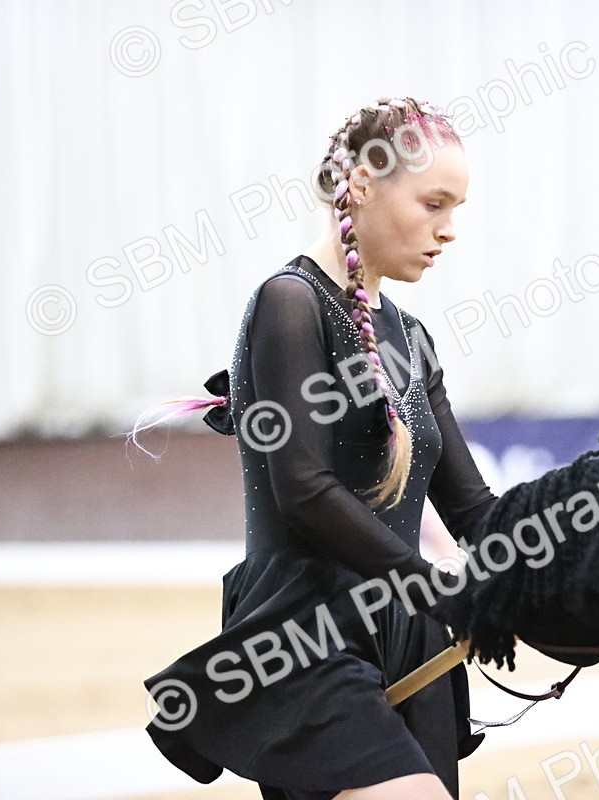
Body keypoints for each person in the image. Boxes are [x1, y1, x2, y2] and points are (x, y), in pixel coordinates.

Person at [132, 97, 498, 800]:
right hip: (306, 636)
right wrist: (433, 584)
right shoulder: (289, 303)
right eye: (434, 204)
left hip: (407, 632)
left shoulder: (414, 338)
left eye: (457, 208)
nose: (449, 230)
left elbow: (476, 508)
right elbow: (302, 488)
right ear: (361, 185)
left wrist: (581, 563)